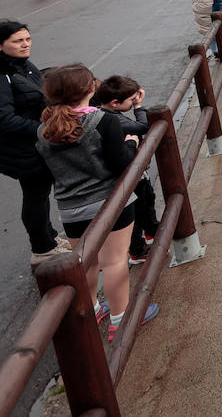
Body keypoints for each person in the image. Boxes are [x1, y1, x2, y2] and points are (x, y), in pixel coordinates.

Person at [34, 64, 160, 342]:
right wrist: (130, 143)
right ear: (90, 89)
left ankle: (92, 310)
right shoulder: (103, 121)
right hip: (109, 203)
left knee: (86, 264)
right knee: (115, 260)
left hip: (70, 208)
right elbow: (121, 164)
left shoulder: (44, 128)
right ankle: (121, 317)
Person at [0, 20, 71, 266]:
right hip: (18, 149)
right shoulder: (2, 75)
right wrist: (44, 129)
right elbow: (5, 120)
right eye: (18, 41)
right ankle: (41, 249)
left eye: (28, 39)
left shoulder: (23, 65)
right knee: (34, 195)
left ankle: (48, 237)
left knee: (39, 194)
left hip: (34, 144)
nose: (25, 44)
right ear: (1, 45)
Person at [92, 75, 161, 265]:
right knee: (136, 212)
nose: (133, 102)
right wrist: (139, 107)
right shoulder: (111, 119)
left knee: (148, 199)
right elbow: (142, 126)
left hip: (135, 172)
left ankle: (152, 230)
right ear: (115, 103)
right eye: (131, 100)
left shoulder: (107, 112)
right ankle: (137, 250)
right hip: (126, 175)